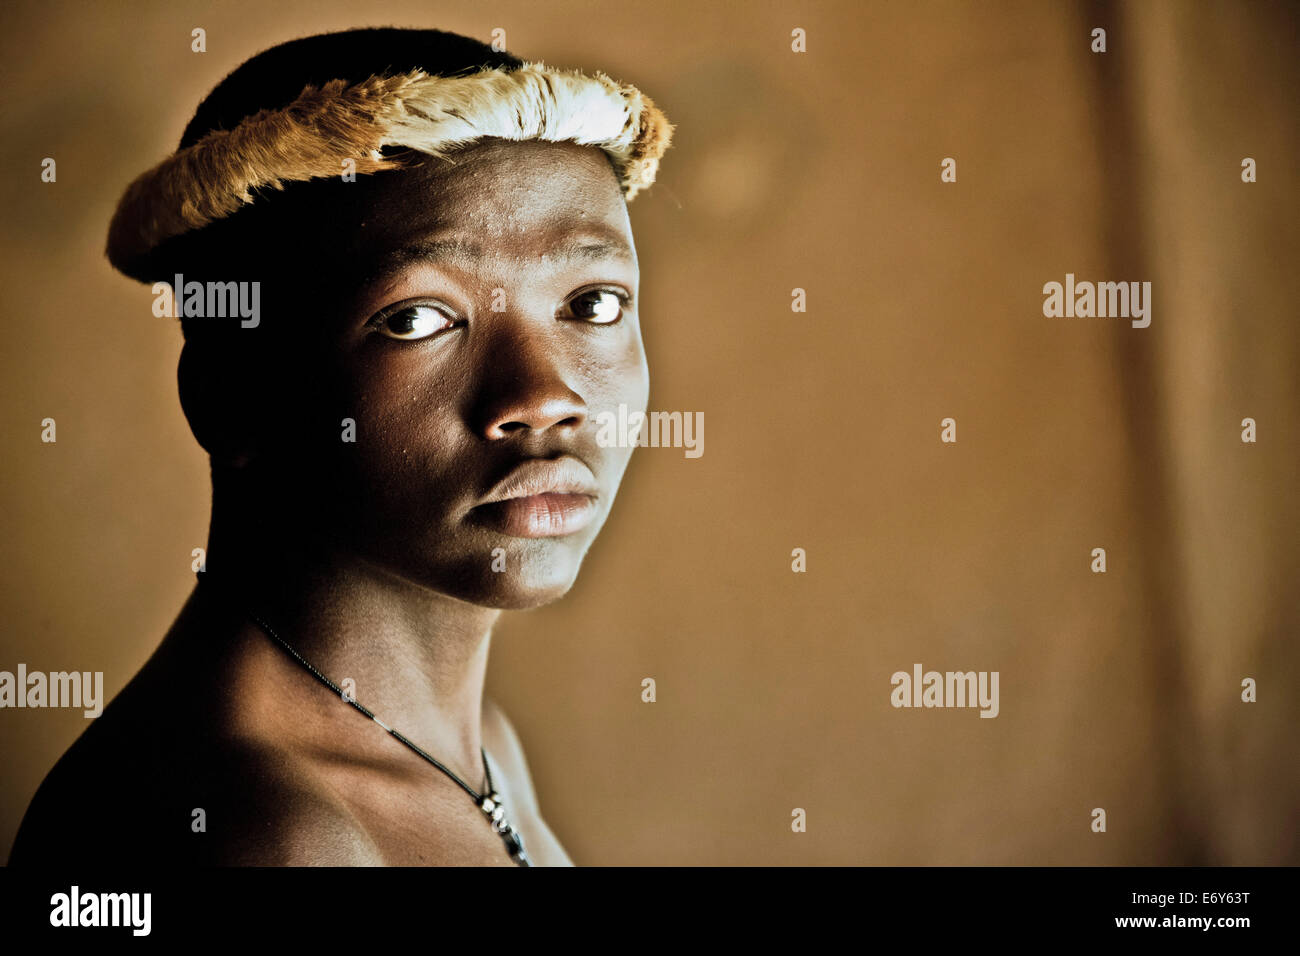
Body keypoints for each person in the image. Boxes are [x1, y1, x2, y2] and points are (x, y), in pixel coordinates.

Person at [10, 26, 672, 866]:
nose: (542, 397)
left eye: (594, 305)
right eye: (418, 319)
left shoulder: (474, 750)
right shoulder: (268, 834)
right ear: (232, 398)